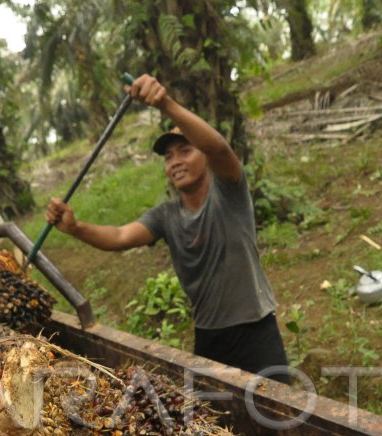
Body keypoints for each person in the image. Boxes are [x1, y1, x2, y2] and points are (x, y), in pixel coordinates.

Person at [45, 74, 290, 384]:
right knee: (217, 427)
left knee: (279, 417)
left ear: (203, 156)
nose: (175, 162)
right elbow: (121, 237)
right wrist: (76, 227)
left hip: (256, 331)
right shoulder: (166, 216)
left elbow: (220, 150)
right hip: (209, 337)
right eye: (168, 157)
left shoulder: (229, 192)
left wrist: (164, 103)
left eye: (185, 151)